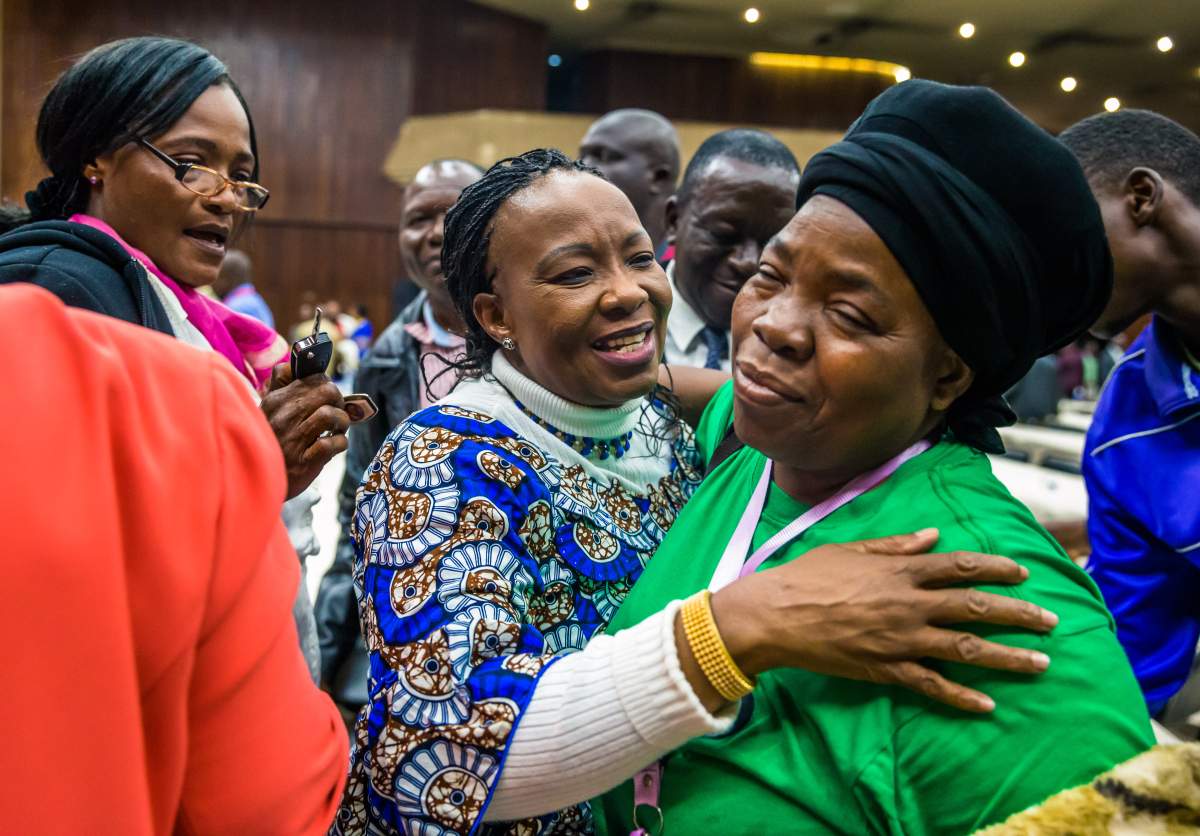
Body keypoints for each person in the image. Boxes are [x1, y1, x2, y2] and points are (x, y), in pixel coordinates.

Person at [333, 148, 1064, 836]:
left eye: (640, 257)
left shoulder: (656, 425)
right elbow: (442, 759)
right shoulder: (440, 462)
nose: (629, 292)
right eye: (574, 274)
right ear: (494, 316)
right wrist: (745, 626)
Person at [595, 80, 1153, 835]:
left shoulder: (1005, 620)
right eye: (772, 276)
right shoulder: (765, 444)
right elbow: (702, 389)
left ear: (949, 376)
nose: (774, 327)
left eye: (850, 313)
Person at [0, 284, 347, 834]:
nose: (224, 199)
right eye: (194, 186)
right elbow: (269, 801)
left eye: (241, 191)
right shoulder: (176, 395)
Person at [0, 36, 348, 501]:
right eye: (190, 163)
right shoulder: (52, 293)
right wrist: (257, 463)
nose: (226, 197)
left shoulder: (201, 315)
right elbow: (55, 523)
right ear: (96, 159)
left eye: (241, 177)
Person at [316, 158, 481, 721]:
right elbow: (358, 510)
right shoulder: (385, 361)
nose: (435, 232)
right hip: (402, 640)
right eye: (418, 218)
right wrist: (329, 654)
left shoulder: (537, 344)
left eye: (454, 212)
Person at [1059, 110, 1200, 718]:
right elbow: (1130, 661)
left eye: (1062, 234)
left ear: (1140, 197)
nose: (1053, 274)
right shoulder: (1123, 426)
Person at [661, 129, 800, 370]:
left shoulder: (799, 347)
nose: (748, 262)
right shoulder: (615, 321)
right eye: (723, 235)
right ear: (674, 221)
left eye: (772, 244)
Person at [579, 108, 680, 256]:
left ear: (658, 177)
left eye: (603, 156)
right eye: (582, 156)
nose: (581, 166)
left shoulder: (691, 267)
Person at [214, 247, 274, 328]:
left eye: (217, 277)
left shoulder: (236, 308)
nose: (212, 283)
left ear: (228, 279)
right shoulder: (254, 299)